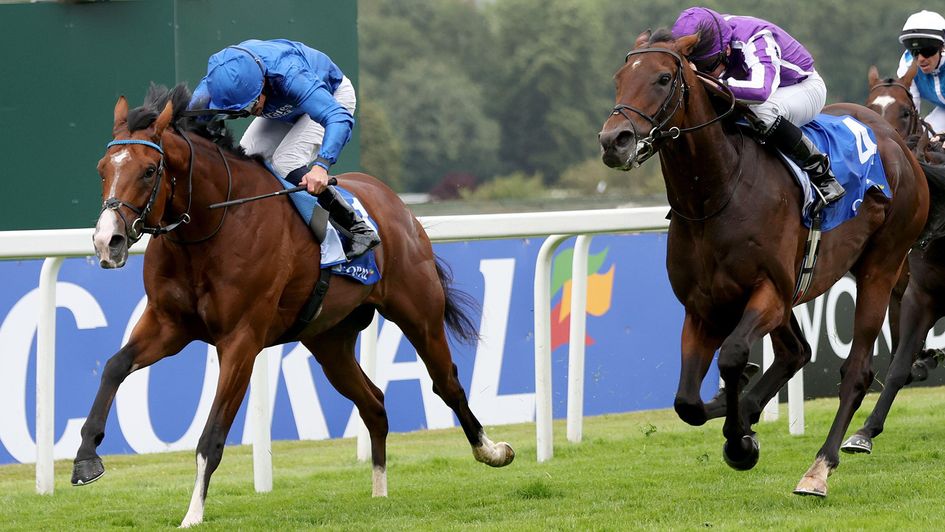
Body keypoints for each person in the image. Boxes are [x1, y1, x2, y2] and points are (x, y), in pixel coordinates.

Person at [188, 39, 380, 260]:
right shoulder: (215, 84)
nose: (249, 112)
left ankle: (357, 227)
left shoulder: (290, 74)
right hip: (284, 106)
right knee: (245, 161)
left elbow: (338, 118)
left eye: (250, 105)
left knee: (286, 161)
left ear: (261, 83)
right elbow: (189, 125)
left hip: (330, 98)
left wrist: (321, 166)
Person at [671, 7, 845, 205]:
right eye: (698, 68)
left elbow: (761, 91)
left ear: (727, 50)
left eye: (709, 66)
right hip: (755, 86)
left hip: (802, 87)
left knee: (762, 111)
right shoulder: (710, 35)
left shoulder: (756, 39)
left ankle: (822, 174)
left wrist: (710, 83)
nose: (707, 73)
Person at [896, 10, 945, 136]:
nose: (921, 59)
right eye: (914, 52)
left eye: (927, 51)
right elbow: (913, 111)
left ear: (942, 47)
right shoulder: (907, 64)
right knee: (924, 136)